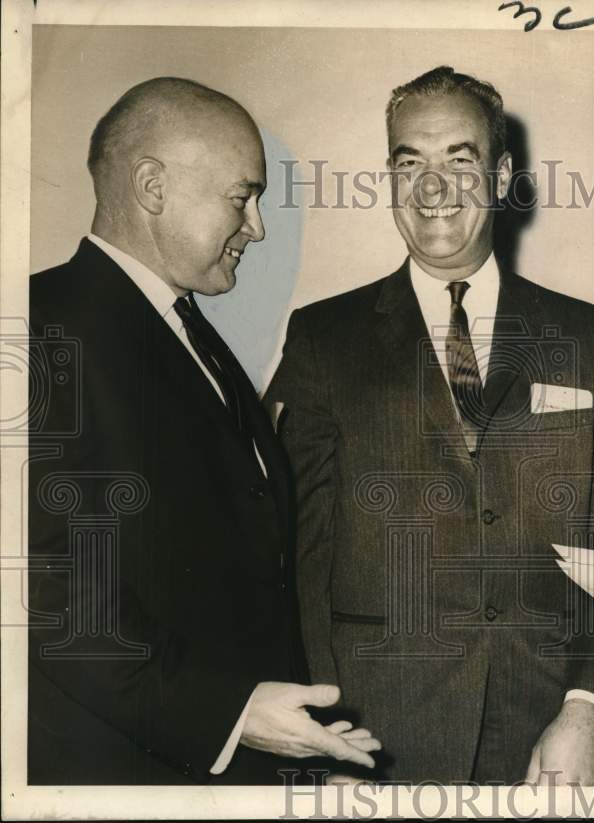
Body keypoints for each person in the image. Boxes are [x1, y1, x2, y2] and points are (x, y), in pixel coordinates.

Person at [266, 66, 594, 784]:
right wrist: (327, 736)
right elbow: (302, 553)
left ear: (504, 177)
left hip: (548, 726)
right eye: (408, 162)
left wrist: (588, 705)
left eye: (460, 160)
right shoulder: (323, 338)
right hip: (377, 729)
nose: (432, 187)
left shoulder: (587, 335)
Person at [28, 76, 380, 785]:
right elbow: (57, 598)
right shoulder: (40, 330)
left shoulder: (194, 333)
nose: (257, 226)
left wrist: (298, 755)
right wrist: (234, 717)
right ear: (152, 186)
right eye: (240, 196)